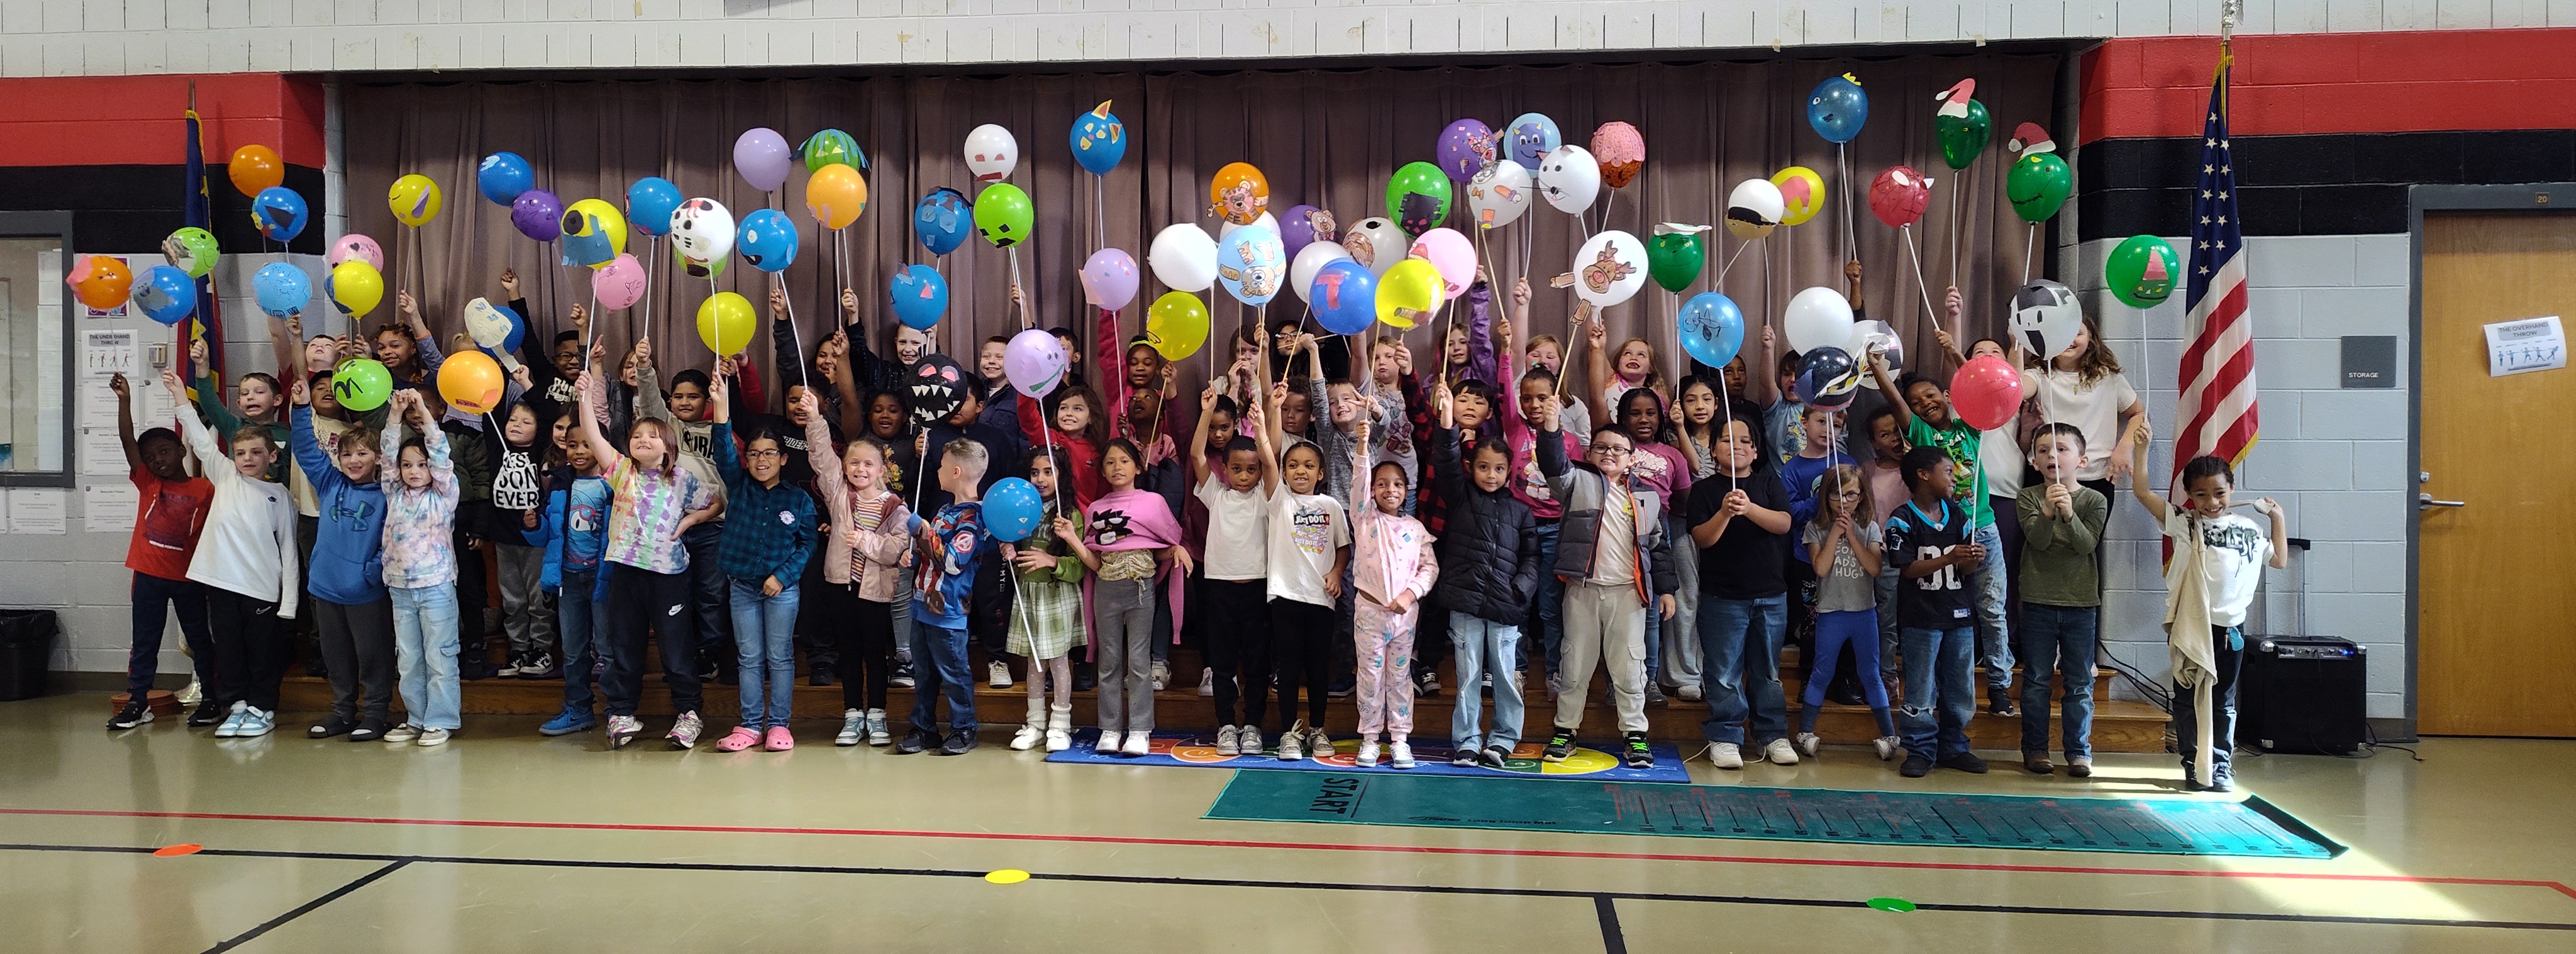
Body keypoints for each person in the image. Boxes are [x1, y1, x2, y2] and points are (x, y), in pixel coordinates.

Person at [2129, 419, 2287, 793]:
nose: (2212, 503)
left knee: (2223, 701)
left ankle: (2219, 765)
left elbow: (2279, 560)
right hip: (2193, 627)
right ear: (2189, 497)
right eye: (2201, 495)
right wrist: (2140, 451)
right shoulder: (2184, 523)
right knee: (2187, 696)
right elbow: (2141, 492)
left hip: (2230, 629)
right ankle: (2192, 762)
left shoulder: (2249, 527)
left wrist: (2277, 517)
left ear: (2231, 489)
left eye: (2219, 493)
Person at [574, 367, 717, 750]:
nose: (641, 440)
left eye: (651, 436)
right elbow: (592, 434)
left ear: (668, 446)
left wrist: (692, 519)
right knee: (625, 646)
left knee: (676, 649)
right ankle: (621, 713)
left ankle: (689, 713)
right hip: (626, 572)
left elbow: (716, 502)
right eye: (636, 436)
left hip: (669, 576)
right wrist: (585, 397)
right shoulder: (621, 471)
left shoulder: (683, 479)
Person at [1868, 350, 2015, 719]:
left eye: (1931, 396)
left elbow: (1980, 387)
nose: (1924, 404)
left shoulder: (1970, 427)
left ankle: (1999, 685)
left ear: (1948, 397)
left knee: (1992, 609)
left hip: (1981, 527)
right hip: (1945, 533)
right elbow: (1897, 402)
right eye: (1918, 403)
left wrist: (1952, 352)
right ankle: (1928, 696)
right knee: (1947, 616)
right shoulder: (1921, 434)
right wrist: (1878, 370)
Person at [1531, 399, 1676, 770]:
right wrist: (1550, 430)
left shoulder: (1646, 496)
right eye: (1601, 447)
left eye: (1618, 449)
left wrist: (1668, 590)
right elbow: (1552, 464)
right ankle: (1566, 730)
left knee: (1630, 668)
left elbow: (1657, 547)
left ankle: (1636, 735)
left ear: (1632, 458)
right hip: (1582, 590)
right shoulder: (1576, 482)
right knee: (1575, 663)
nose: (1609, 453)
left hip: (1629, 593)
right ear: (1590, 453)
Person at [164, 367, 299, 739]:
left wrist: (288, 604)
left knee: (262, 655)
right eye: (240, 453)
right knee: (230, 650)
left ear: (273, 456)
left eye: (257, 452)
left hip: (261, 591)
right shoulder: (224, 477)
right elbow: (200, 440)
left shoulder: (280, 497)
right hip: (222, 585)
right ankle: (237, 706)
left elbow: (288, 552)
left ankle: (261, 708)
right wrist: (180, 396)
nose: (248, 458)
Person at [1426, 386, 1541, 767]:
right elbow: (1445, 460)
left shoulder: (1521, 512)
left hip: (1506, 606)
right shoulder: (1460, 497)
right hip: (1465, 604)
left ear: (1509, 472)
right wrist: (1446, 422)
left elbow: (1531, 556)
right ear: (1472, 467)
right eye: (1482, 467)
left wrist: (1520, 590)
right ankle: (1468, 740)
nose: (1490, 475)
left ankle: (1504, 739)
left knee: (1506, 678)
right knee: (1469, 676)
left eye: (1498, 469)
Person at [708, 368, 819, 753]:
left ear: (783, 459)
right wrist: (720, 407)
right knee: (749, 656)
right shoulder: (738, 485)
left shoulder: (798, 499)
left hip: (781, 591)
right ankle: (751, 724)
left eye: (769, 453)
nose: (760, 460)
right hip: (742, 588)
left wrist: (783, 577)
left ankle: (779, 725)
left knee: (780, 656)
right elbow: (724, 450)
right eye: (754, 454)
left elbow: (807, 545)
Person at [105, 372, 218, 732]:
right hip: (149, 576)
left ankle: (212, 698)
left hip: (189, 578)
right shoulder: (148, 483)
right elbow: (127, 441)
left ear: (182, 450)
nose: (158, 461)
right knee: (145, 641)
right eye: (151, 457)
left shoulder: (205, 489)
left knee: (200, 639)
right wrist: (124, 401)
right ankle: (139, 701)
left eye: (165, 452)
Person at [1067, 438, 1191, 757]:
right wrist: (1072, 539)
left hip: (1140, 589)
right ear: (1103, 471)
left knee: (1139, 661)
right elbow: (1095, 561)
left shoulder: (1153, 502)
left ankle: (1139, 730)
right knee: (1108, 662)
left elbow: (1164, 545)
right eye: (1110, 462)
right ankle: (1109, 728)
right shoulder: (1096, 508)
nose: (1117, 467)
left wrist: (1176, 550)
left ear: (1138, 466)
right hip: (1107, 589)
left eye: (1124, 461)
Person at [288, 379, 394, 741]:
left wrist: (372, 573)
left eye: (363, 454)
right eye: (348, 454)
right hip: (326, 588)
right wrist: (301, 409)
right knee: (337, 657)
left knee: (373, 656)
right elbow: (305, 450)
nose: (353, 461)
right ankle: (343, 711)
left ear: (378, 458)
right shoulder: (331, 483)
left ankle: (377, 714)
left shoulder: (387, 495)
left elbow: (390, 543)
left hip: (365, 593)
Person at [1686, 416, 1794, 768]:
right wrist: (1725, 513)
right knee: (1723, 671)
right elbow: (1703, 538)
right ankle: (1725, 734)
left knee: (1767, 671)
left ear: (1756, 450)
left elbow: (1783, 523)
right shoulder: (1703, 491)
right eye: (1728, 441)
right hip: (1722, 598)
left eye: (1745, 441)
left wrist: (1749, 509)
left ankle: (1773, 734)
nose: (1737, 447)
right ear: (1714, 450)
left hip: (1771, 595)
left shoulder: (1769, 484)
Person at [808, 404, 912, 749]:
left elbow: (896, 549)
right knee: (849, 653)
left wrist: (865, 539)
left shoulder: (894, 506)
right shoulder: (840, 497)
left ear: (882, 469)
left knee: (875, 654)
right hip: (841, 588)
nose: (860, 469)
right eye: (854, 463)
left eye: (868, 464)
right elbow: (822, 456)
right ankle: (853, 714)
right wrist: (814, 418)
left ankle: (878, 714)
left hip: (876, 592)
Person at [1885, 446, 1987, 778]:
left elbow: (1968, 570)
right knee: (1921, 686)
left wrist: (1973, 556)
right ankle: (1920, 748)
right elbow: (1908, 569)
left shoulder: (1958, 514)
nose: (1954, 477)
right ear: (1923, 475)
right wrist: (1949, 557)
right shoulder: (1902, 518)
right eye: (1947, 471)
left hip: (1958, 615)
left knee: (1960, 686)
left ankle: (1954, 746)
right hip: (1921, 618)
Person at [1265, 379, 1353, 761]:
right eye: (1293, 466)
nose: (1300, 471)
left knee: (1318, 668)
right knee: (1289, 668)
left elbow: (1344, 547)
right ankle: (1289, 732)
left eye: (1309, 466)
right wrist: (1269, 412)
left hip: (1322, 598)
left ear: (1321, 473)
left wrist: (1336, 573)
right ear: (1284, 473)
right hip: (1285, 595)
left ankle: (1317, 729)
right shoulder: (1278, 501)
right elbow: (1267, 455)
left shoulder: (1332, 506)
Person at [2017, 423, 2110, 775]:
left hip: (2080, 603)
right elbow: (2038, 541)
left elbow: (2086, 545)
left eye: (2061, 449)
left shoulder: (2094, 500)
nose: (2052, 456)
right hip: (2039, 600)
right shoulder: (2028, 497)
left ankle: (2078, 752)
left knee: (2079, 681)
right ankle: (2036, 749)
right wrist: (2046, 511)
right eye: (2043, 451)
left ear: (2081, 460)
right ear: (2034, 461)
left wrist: (2069, 515)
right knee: (2038, 678)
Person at [1191, 381, 1276, 757]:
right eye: (1237, 469)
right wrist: (1207, 411)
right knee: (1222, 664)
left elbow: (1272, 459)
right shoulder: (1216, 494)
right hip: (1219, 590)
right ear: (1224, 469)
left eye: (1251, 469)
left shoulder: (1266, 495)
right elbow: (1196, 455)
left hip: (1257, 589)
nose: (1244, 475)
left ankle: (1253, 725)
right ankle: (1226, 724)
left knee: (1257, 663)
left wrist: (1261, 425)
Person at [374, 389, 464, 746]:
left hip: (437, 587)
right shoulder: (393, 491)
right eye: (408, 465)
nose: (414, 471)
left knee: (440, 656)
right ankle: (416, 718)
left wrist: (423, 412)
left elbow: (440, 451)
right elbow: (387, 453)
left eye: (421, 465)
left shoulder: (444, 493)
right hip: (399, 587)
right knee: (409, 658)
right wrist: (395, 416)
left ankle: (440, 720)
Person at [1794, 465, 1899, 762]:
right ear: (1825, 496)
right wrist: (1834, 534)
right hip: (1831, 612)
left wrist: (1852, 535)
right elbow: (1821, 568)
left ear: (1862, 496)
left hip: (1864, 613)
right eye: (1837, 495)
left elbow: (1876, 568)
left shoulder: (1870, 528)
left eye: (1852, 495)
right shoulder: (1816, 527)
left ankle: (1890, 735)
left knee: (1870, 672)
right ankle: (1805, 731)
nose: (1845, 502)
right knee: (1822, 672)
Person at [1346, 422, 1436, 769]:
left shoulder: (1415, 529)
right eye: (1382, 484)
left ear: (1407, 491)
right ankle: (1370, 739)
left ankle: (1400, 740)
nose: (1390, 490)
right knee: (1370, 677)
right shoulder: (1365, 519)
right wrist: (1363, 445)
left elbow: (1429, 570)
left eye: (1397, 485)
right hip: (1369, 613)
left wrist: (1411, 595)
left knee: (1399, 679)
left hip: (1404, 617)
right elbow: (1358, 485)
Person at [900, 439, 993, 756]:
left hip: (948, 610)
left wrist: (922, 531)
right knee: (923, 673)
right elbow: (929, 555)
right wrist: (912, 556)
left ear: (955, 472)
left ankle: (964, 728)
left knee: (954, 673)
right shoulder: (944, 510)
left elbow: (953, 561)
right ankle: (924, 728)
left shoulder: (974, 518)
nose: (937, 471)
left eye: (941, 466)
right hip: (920, 604)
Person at [1003, 446, 1087, 752]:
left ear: (1062, 475)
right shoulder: (1024, 509)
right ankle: (1035, 723)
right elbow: (1019, 551)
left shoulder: (1070, 516)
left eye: (1048, 472)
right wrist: (1011, 553)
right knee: (1034, 664)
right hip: (1029, 596)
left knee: (1058, 662)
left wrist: (1052, 561)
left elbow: (1079, 567)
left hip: (1056, 595)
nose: (1040, 479)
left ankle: (1061, 724)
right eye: (1035, 472)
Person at [536, 428, 613, 737]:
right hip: (568, 578)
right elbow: (548, 535)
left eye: (587, 444)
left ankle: (618, 709)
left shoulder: (611, 484)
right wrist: (533, 525)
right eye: (572, 445)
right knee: (573, 650)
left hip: (601, 578)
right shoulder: (559, 483)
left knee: (608, 649)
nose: (579, 451)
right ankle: (579, 710)